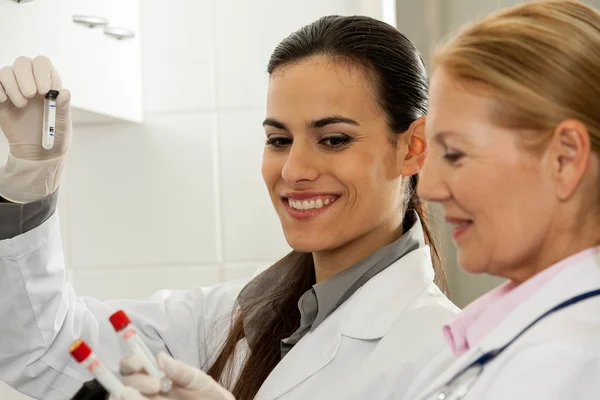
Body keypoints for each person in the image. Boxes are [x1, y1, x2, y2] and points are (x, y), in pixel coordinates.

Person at [0, 15, 460, 400]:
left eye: (333, 139)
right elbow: (47, 347)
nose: (294, 169)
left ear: (412, 147)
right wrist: (29, 177)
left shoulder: (443, 358)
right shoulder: (230, 319)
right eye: (278, 140)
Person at [407, 1, 600, 398]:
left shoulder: (565, 363)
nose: (427, 188)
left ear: (565, 158)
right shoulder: (526, 337)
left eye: (455, 154)